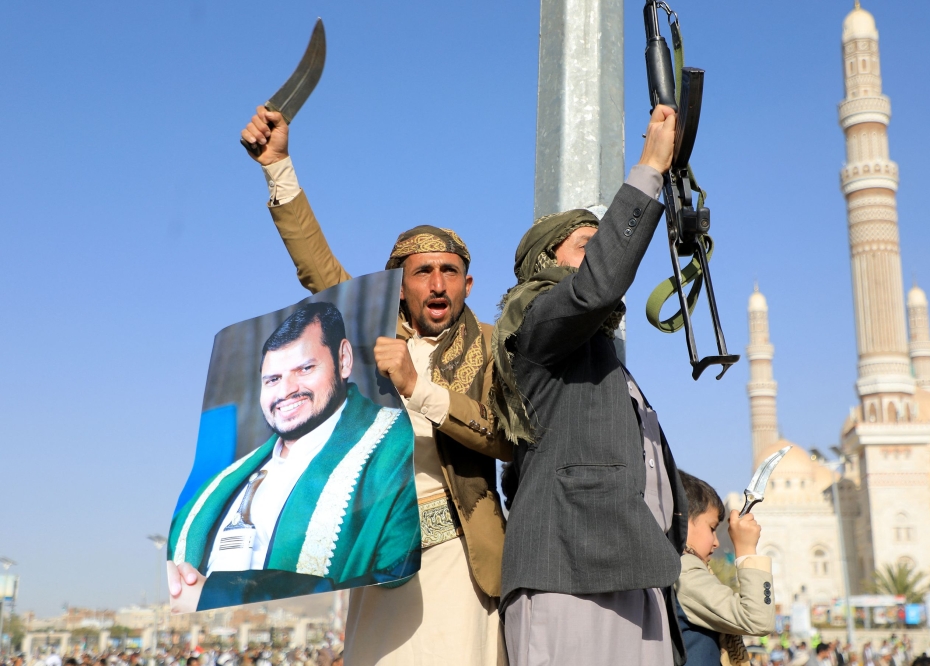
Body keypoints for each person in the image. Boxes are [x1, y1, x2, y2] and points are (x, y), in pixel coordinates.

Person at [239, 107, 511, 665]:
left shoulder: (493, 345)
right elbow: (316, 266)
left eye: (450, 271)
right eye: (422, 272)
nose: (438, 283)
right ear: (399, 285)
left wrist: (420, 388)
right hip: (380, 555)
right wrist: (278, 167)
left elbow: (504, 438)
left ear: (468, 283)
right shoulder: (364, 337)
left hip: (461, 557)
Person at [490, 104, 686, 665]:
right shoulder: (539, 326)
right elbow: (594, 289)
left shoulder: (603, 361)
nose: (600, 258)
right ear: (547, 263)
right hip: (568, 572)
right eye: (585, 246)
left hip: (631, 566)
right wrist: (650, 167)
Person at [167, 302, 419, 612]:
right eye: (272, 379)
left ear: (343, 360)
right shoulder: (221, 486)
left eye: (305, 369)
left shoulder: (397, 446)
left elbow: (395, 572)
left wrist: (215, 595)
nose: (286, 391)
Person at [675, 471, 774, 666]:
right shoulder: (683, 569)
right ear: (681, 520)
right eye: (712, 528)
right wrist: (746, 550)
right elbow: (758, 619)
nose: (716, 542)